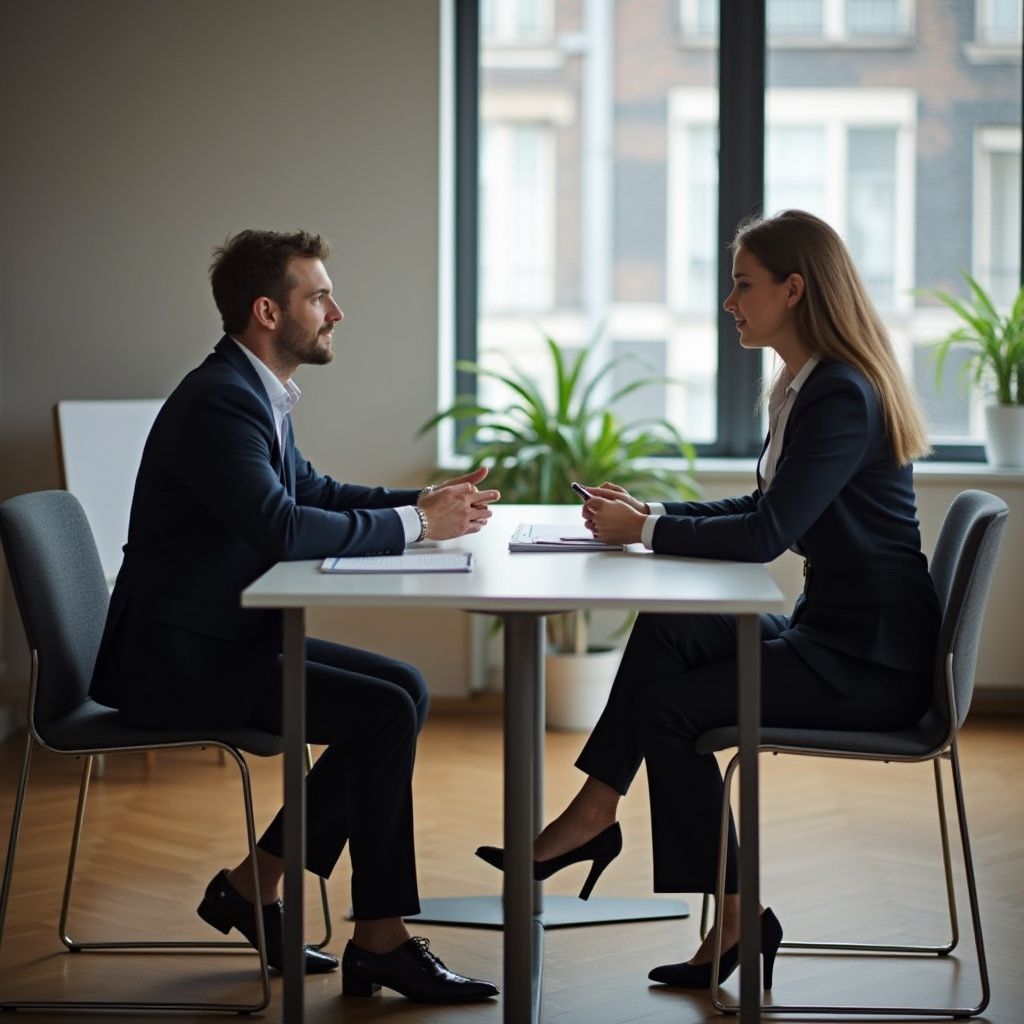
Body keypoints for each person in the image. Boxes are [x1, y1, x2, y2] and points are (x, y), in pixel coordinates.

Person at [476, 209, 940, 991]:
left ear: (794, 290)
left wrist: (647, 531)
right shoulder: (805, 384)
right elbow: (764, 507)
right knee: (669, 631)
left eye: (742, 284)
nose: (730, 301)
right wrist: (648, 518)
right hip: (834, 635)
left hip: (869, 664)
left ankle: (734, 918)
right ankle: (594, 815)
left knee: (670, 709)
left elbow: (766, 533)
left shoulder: (839, 395)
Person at [90, 229, 501, 1003]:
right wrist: (419, 528)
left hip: (212, 641)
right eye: (318, 296)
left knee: (401, 691)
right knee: (382, 709)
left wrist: (420, 504)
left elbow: (314, 492)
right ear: (267, 311)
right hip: (174, 662)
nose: (336, 311)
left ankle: (255, 888)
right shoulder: (221, 401)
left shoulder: (252, 392)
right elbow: (281, 526)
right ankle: (379, 938)